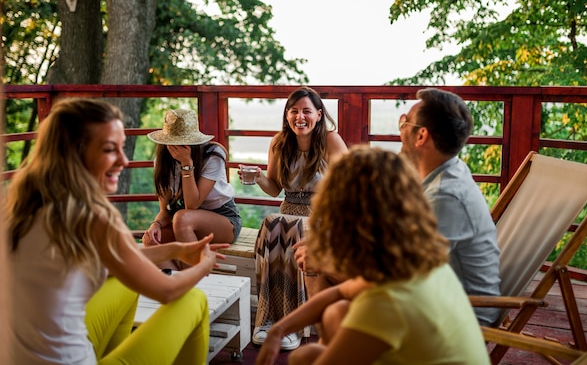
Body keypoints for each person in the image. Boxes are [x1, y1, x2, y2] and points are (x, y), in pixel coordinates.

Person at [8, 98, 228, 365]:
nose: (124, 160)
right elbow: (167, 291)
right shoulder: (96, 218)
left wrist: (174, 249)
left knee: (123, 284)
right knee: (193, 299)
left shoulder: (20, 205)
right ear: (76, 152)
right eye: (110, 150)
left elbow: (117, 259)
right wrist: (205, 265)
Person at [256, 146, 490, 365]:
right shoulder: (413, 260)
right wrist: (278, 330)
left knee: (305, 356)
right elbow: (340, 291)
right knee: (324, 329)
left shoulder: (385, 304)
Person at [242, 86, 347, 350]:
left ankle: (293, 324)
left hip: (323, 215)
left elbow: (349, 184)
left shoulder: (330, 140)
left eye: (306, 111)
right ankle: (267, 319)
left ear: (319, 115)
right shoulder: (279, 142)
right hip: (289, 211)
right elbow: (274, 188)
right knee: (273, 224)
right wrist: (257, 178)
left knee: (285, 229)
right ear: (287, 115)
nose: (300, 117)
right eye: (294, 111)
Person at [399, 87, 501, 327]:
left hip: (462, 314)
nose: (401, 128)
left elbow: (404, 272)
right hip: (439, 294)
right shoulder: (446, 169)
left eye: (405, 122)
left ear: (421, 136)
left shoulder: (445, 196)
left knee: (332, 281)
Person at [142, 108, 242, 268]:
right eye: (174, 141)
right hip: (182, 223)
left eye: (185, 140)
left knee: (182, 217)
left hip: (223, 219)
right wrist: (156, 225)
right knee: (151, 240)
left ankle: (192, 279)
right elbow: (165, 210)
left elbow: (192, 205)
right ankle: (180, 283)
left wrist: (186, 164)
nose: (179, 145)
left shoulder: (213, 156)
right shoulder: (162, 163)